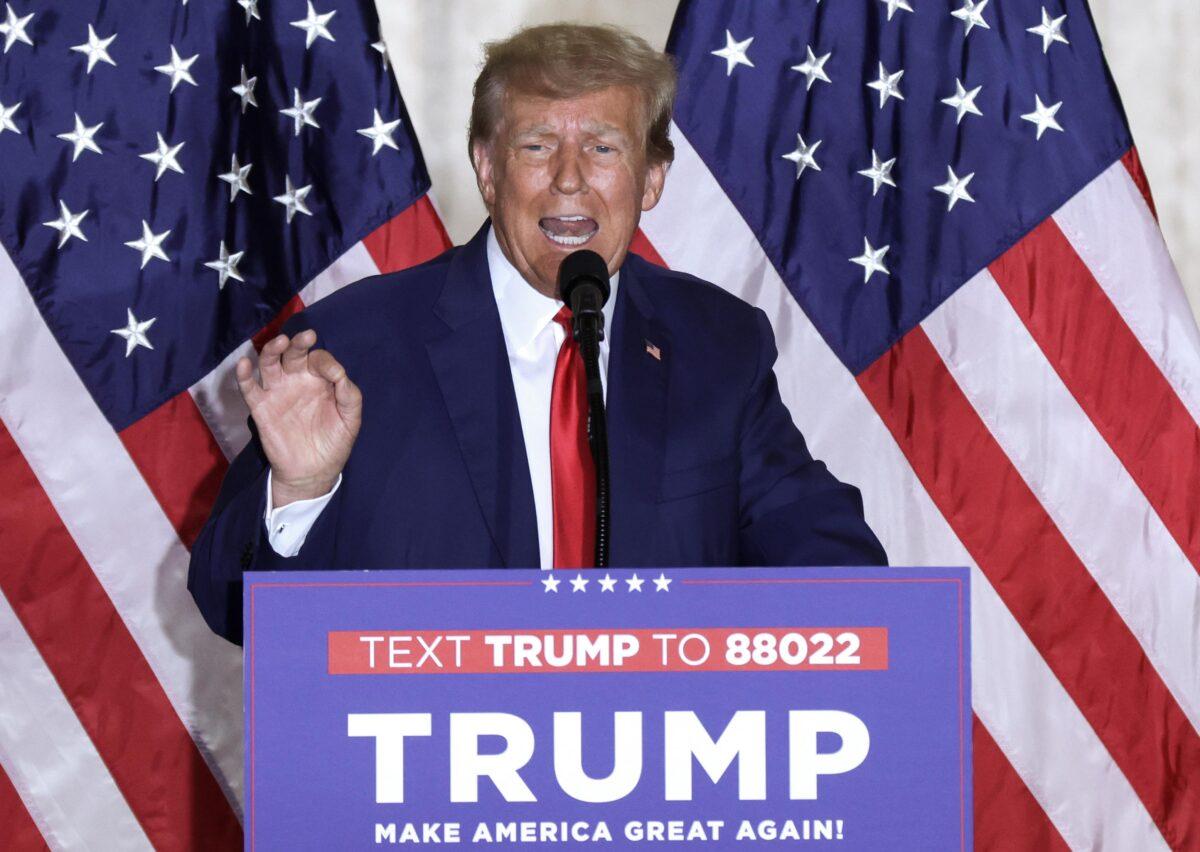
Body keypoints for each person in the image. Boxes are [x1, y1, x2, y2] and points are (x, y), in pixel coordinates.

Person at [188, 23, 887, 644]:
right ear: (489, 170)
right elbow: (229, 605)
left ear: (652, 179)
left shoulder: (716, 345)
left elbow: (828, 561)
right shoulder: (355, 347)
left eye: (604, 147)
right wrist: (303, 487)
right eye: (537, 144)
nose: (570, 180)